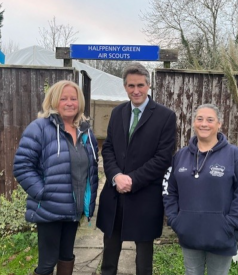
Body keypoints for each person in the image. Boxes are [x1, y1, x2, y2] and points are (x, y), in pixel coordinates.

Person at [96, 62, 177, 275]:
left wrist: (132, 180)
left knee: (143, 264)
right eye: (131, 86)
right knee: (109, 260)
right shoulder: (117, 113)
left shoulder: (165, 116)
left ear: (148, 85)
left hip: (145, 197)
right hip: (115, 196)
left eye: (140, 85)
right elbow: (109, 148)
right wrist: (115, 177)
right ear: (125, 87)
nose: (136, 90)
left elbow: (163, 158)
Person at [13, 80, 99, 275]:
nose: (69, 103)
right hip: (50, 208)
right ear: (54, 101)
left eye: (73, 98)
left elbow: (92, 168)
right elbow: (22, 166)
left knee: (67, 257)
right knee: (47, 262)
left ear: (80, 102)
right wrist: (43, 192)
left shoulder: (85, 131)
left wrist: (88, 201)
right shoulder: (39, 128)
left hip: (74, 208)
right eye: (63, 98)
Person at [163, 103, 238, 275]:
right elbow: (170, 191)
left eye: (210, 120)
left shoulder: (234, 155)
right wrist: (176, 220)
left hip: (221, 236)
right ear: (194, 123)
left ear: (219, 124)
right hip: (189, 233)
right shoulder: (181, 156)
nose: (204, 124)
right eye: (199, 119)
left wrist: (229, 225)